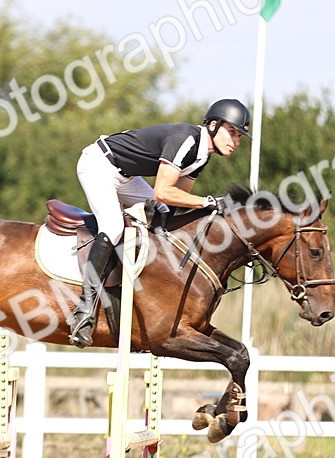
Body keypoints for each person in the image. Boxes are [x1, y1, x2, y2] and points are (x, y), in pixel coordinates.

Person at [67, 98, 251, 348]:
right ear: (213, 125)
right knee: (113, 226)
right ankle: (84, 308)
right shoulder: (186, 140)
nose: (235, 142)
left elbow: (177, 203)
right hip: (99, 165)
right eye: (232, 132)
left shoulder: (202, 156)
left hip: (126, 176)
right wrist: (209, 202)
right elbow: (162, 192)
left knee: (166, 217)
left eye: (239, 137)